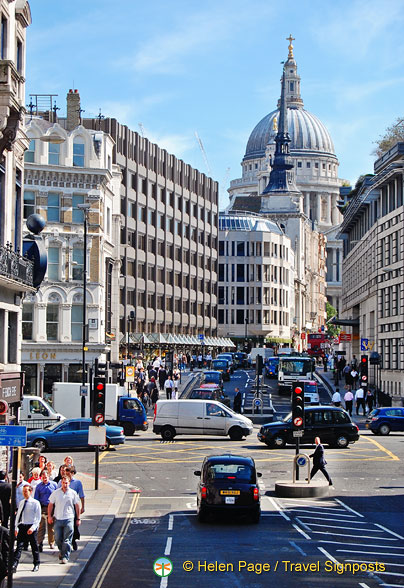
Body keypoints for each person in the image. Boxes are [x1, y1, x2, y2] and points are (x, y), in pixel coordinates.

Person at [48, 477, 81, 564]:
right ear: (61, 483)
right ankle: (62, 552)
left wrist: (78, 518)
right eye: (63, 483)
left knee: (67, 540)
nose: (65, 485)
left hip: (69, 518)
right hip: (58, 518)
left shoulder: (73, 493)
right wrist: (49, 516)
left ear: (69, 483)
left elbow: (77, 506)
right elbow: (51, 504)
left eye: (66, 483)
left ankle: (65, 556)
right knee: (58, 539)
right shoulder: (56, 493)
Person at [12, 484, 41, 573]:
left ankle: (36, 563)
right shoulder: (21, 502)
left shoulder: (35, 503)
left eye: (26, 491)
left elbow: (37, 517)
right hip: (22, 526)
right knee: (19, 547)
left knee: (34, 546)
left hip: (31, 526)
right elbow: (18, 516)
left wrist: (33, 528)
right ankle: (15, 564)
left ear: (30, 491)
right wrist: (16, 527)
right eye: (23, 491)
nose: (24, 493)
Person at [58, 467, 85, 551]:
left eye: (68, 472)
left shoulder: (77, 483)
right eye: (65, 472)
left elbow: (81, 495)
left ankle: (73, 540)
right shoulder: (60, 482)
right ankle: (66, 542)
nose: (66, 473)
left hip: (73, 506)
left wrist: (83, 507)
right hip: (62, 506)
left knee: (73, 526)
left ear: (72, 473)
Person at [34, 470, 57, 552]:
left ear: (48, 476)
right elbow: (36, 499)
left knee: (51, 526)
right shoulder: (39, 487)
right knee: (41, 526)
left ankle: (51, 542)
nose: (45, 479)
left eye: (46, 477)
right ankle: (40, 543)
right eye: (43, 477)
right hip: (43, 507)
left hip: (52, 507)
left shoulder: (54, 485)